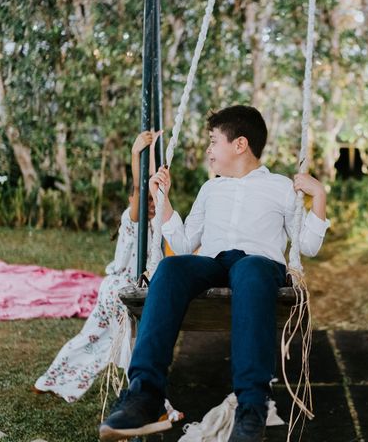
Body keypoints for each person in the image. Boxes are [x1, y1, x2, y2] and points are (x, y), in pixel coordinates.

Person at [99, 105, 330, 442]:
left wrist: (319, 196)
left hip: (258, 264)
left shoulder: (281, 187)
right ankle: (145, 393)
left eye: (213, 142)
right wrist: (161, 198)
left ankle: (251, 405)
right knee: (172, 267)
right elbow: (183, 242)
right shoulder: (211, 189)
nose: (208, 150)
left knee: (250, 269)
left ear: (240, 145)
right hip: (213, 262)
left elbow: (308, 245)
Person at [34, 130, 160, 402]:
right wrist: (135, 154)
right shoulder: (132, 219)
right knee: (131, 346)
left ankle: (49, 380)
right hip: (120, 293)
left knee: (93, 339)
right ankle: (147, 400)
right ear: (132, 201)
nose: (151, 205)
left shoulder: (156, 224)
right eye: (145, 201)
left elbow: (152, 187)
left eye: (154, 200)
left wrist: (152, 153)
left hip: (119, 291)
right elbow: (142, 188)